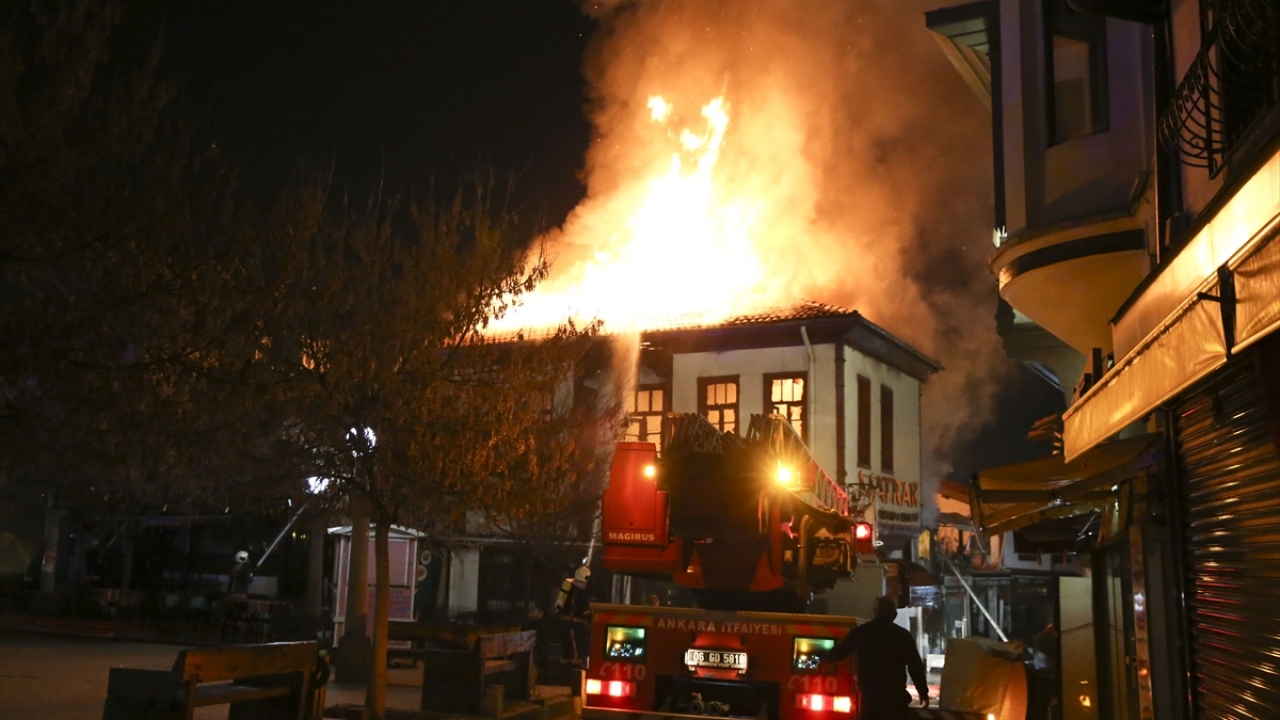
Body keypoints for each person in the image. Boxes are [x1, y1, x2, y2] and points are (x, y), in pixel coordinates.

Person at [822, 595, 929, 720]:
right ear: (894, 615)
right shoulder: (903, 636)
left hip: (870, 699)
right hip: (895, 699)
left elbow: (841, 650)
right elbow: (915, 666)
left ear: (875, 612)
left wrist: (825, 661)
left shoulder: (861, 632)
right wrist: (923, 692)